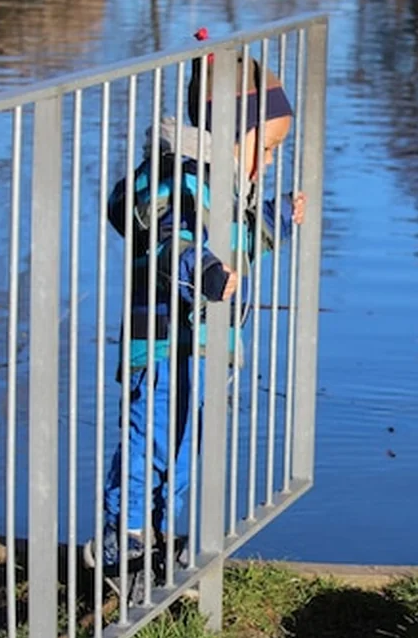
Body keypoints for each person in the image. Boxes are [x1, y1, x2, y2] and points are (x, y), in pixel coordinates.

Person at [84, 38, 307, 604]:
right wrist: (202, 270)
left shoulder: (227, 187)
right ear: (233, 131)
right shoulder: (176, 178)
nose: (271, 159)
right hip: (162, 343)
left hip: (202, 347)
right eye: (269, 146)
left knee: (183, 446)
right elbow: (168, 240)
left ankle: (159, 532)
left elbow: (239, 245)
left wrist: (276, 217)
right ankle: (121, 536)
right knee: (149, 439)